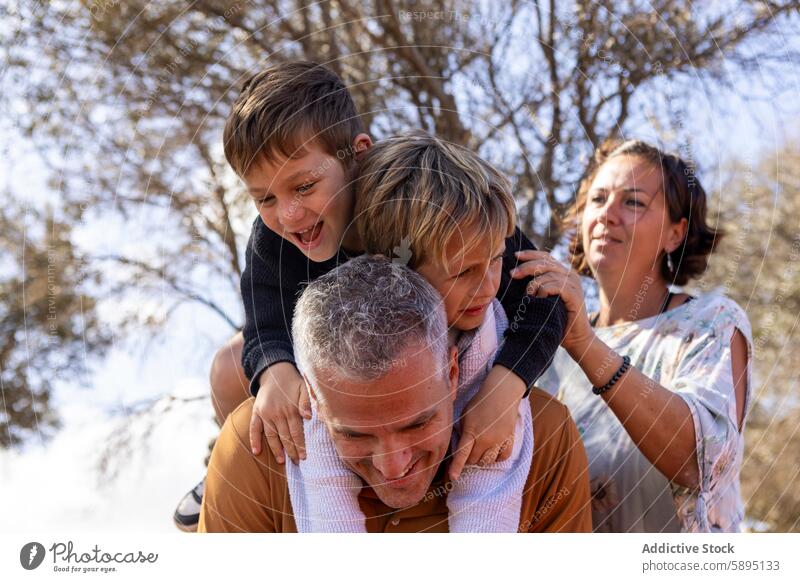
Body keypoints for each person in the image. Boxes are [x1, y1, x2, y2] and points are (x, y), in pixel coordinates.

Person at [175, 61, 567, 530]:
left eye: (303, 186)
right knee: (231, 363)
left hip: (442, 364)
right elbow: (264, 318)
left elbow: (539, 292)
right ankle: (253, 467)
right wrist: (274, 371)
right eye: (265, 198)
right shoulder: (273, 240)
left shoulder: (423, 199)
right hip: (336, 374)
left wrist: (507, 385)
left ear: (356, 155)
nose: (289, 214)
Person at [198, 256, 591, 533]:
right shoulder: (259, 450)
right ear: (313, 398)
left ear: (453, 373)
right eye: (355, 434)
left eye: (418, 423)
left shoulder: (543, 440)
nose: (392, 466)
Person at [517, 139, 752, 532]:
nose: (607, 214)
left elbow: (699, 462)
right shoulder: (547, 344)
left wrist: (585, 345)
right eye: (598, 199)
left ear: (675, 234)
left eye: (634, 202)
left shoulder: (711, 321)